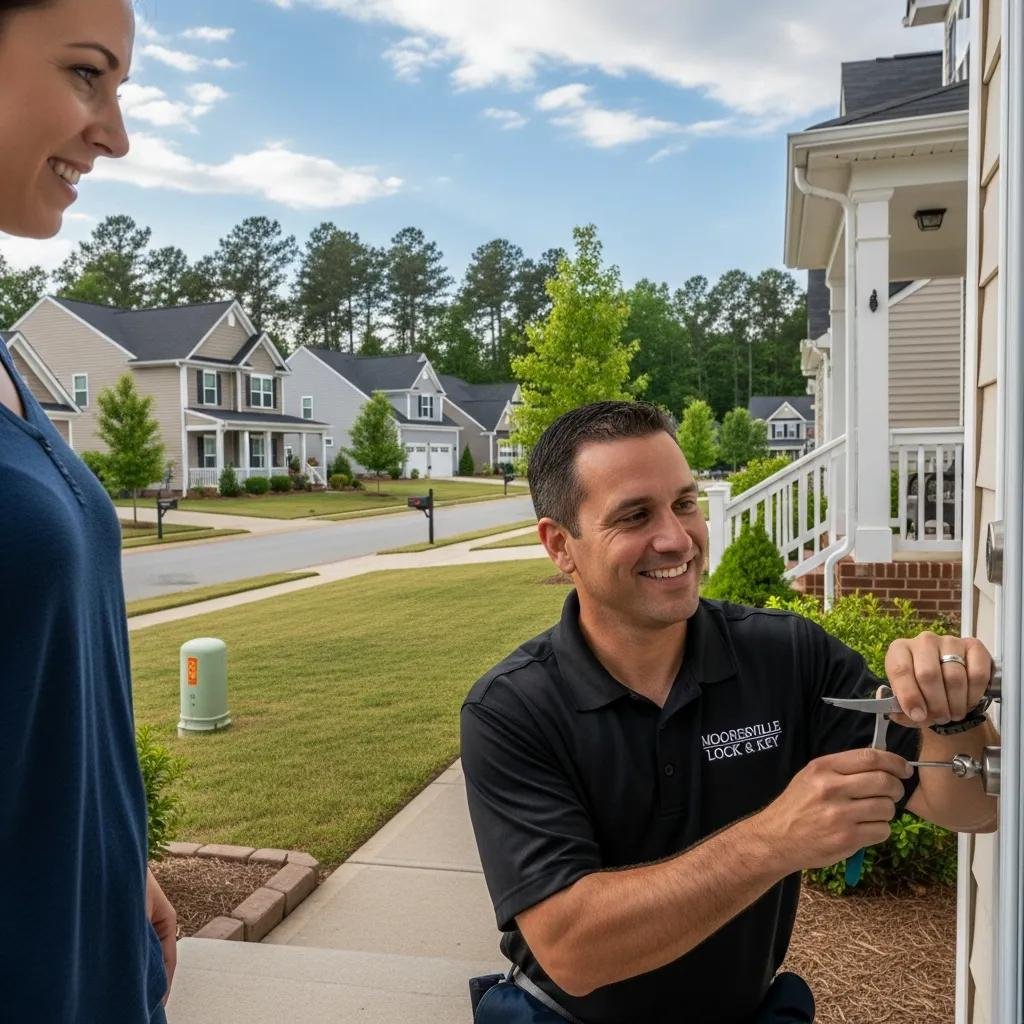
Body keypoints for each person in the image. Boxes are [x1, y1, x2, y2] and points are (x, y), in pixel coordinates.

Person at [461, 401, 999, 1024]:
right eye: (635, 515)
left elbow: (973, 807)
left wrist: (948, 716)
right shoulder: (512, 709)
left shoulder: (787, 657)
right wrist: (775, 839)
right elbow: (572, 951)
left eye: (684, 504)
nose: (676, 538)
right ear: (561, 545)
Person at [0, 1, 177, 1021]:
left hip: (93, 951)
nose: (114, 131)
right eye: (85, 74)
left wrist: (119, 854)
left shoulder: (11, 365)